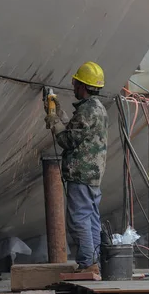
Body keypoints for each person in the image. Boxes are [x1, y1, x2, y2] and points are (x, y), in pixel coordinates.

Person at [45, 61, 109, 274]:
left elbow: (67, 140)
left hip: (80, 174)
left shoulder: (87, 111)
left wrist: (53, 120)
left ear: (83, 86)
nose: (73, 87)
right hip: (92, 175)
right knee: (90, 218)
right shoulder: (97, 108)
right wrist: (60, 113)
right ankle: (94, 263)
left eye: (76, 83)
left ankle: (87, 264)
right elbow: (78, 130)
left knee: (79, 219)